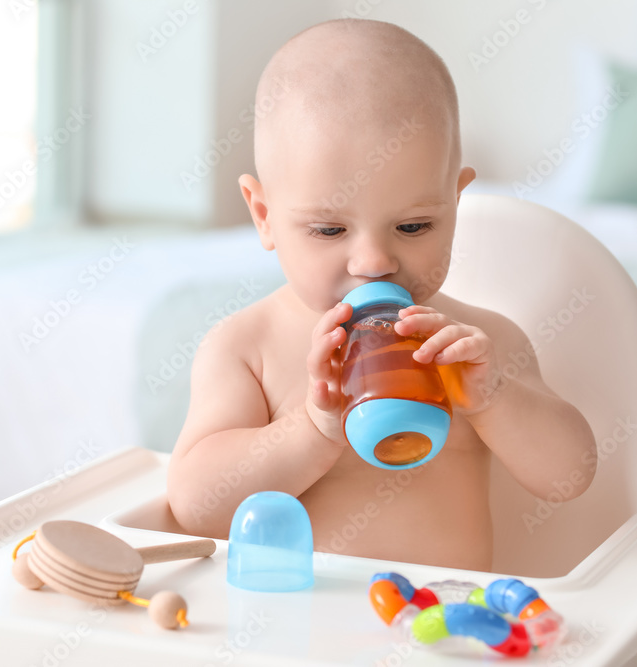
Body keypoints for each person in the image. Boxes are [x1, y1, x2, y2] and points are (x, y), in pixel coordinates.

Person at [167, 18, 596, 570]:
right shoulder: (247, 348)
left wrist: (493, 398)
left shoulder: (478, 346)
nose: (373, 262)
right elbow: (197, 507)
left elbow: (570, 477)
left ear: (455, 203)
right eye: (329, 230)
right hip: (297, 620)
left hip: (447, 619)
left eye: (413, 226)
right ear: (264, 215)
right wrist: (313, 430)